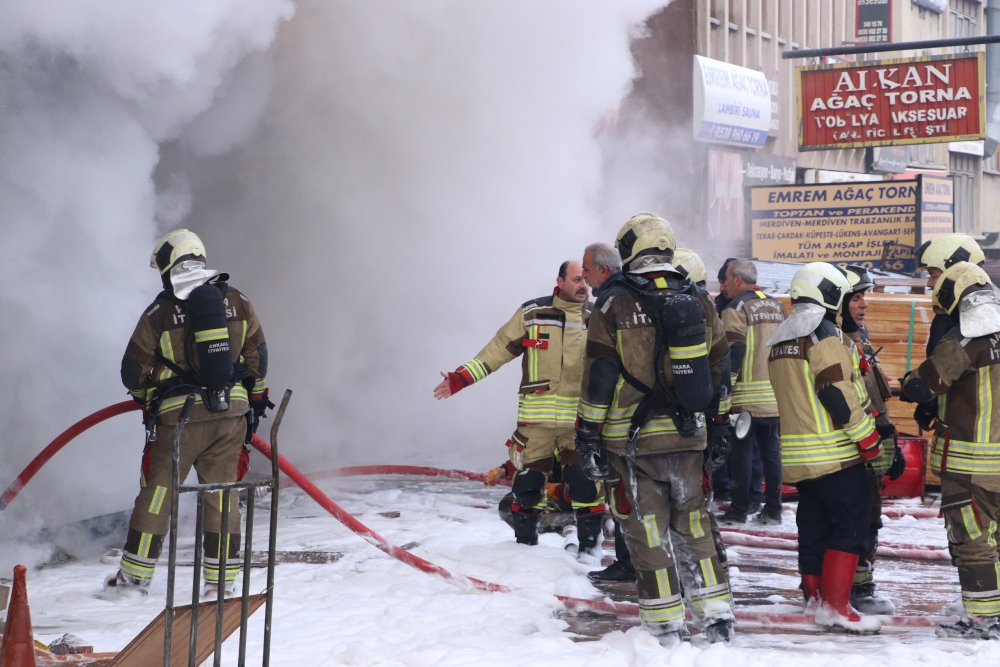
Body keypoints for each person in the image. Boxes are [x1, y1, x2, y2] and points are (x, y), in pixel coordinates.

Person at [575, 213, 735, 645]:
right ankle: (717, 616)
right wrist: (718, 427)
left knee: (647, 532)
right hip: (690, 437)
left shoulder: (613, 303)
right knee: (696, 526)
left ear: (630, 248)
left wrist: (587, 434)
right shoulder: (697, 297)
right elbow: (720, 367)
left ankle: (665, 627)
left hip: (632, 443)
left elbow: (600, 377)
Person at [107, 229, 270, 596]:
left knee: (159, 494)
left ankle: (133, 582)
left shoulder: (160, 311)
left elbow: (132, 372)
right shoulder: (239, 302)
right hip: (231, 415)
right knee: (222, 495)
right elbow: (258, 360)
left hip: (179, 421)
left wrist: (145, 397)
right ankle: (221, 586)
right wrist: (253, 399)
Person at [434, 261, 606, 555]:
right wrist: (461, 378)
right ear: (559, 281)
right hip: (535, 427)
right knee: (527, 488)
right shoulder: (532, 314)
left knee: (586, 486)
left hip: (579, 426)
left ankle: (589, 556)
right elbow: (497, 350)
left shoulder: (597, 317)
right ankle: (525, 554)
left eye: (585, 280)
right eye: (577, 279)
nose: (583, 286)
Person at [766, 262, 881, 634]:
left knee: (813, 527)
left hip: (799, 459)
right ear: (831, 294)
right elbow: (835, 390)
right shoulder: (823, 335)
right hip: (833, 454)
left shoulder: (782, 338)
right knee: (851, 525)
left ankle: (815, 601)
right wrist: (867, 437)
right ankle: (836, 606)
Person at [901, 262, 1000, 640]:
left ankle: (981, 621)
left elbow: (924, 387)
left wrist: (908, 380)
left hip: (970, 464)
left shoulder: (966, 340)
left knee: (973, 541)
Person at [840, 265, 906, 615]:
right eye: (856, 297)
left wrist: (890, 436)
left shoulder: (858, 336)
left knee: (870, 515)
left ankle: (861, 584)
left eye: (865, 296)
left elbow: (875, 393)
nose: (864, 303)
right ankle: (855, 589)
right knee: (856, 517)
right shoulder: (836, 340)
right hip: (852, 447)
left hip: (873, 441)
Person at [581, 243, 636, 583]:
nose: (585, 278)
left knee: (624, 496)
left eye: (587, 270)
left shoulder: (610, 302)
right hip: (653, 421)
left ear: (603, 269)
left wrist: (589, 430)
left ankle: (629, 564)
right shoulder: (636, 296)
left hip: (620, 421)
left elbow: (602, 370)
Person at [718, 259, 787, 526]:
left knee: (742, 453)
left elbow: (734, 351)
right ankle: (773, 509)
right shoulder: (778, 306)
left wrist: (727, 391)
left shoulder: (736, 307)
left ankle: (739, 509)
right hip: (775, 396)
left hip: (745, 399)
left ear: (737, 279)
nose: (724, 285)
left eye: (726, 278)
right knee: (771, 453)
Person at [913, 235, 987, 433]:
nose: (929, 283)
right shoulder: (989, 316)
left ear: (956, 273)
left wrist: (925, 399)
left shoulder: (953, 324)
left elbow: (934, 377)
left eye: (933, 275)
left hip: (968, 444)